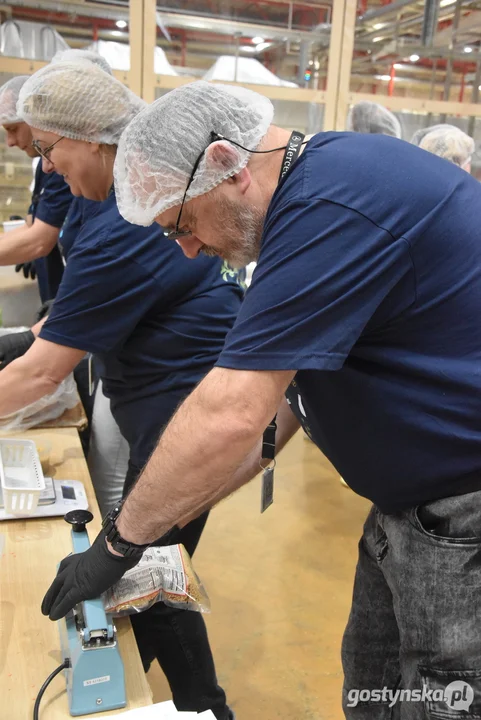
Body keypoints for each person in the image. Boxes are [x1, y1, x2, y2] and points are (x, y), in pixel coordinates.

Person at [41, 80, 481, 718]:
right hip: (407, 514)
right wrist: (161, 527)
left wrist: (118, 545)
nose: (187, 247)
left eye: (184, 223)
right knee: (375, 686)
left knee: (446, 701)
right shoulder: (309, 193)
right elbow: (273, 414)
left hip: (461, 515)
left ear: (226, 165)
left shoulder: (333, 207)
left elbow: (231, 412)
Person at [2, 66, 242, 719]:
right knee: (147, 560)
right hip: (152, 389)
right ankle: (187, 699)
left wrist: (29, 356)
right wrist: (29, 336)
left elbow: (41, 375)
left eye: (51, 148)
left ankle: (200, 706)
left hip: (187, 408)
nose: (45, 167)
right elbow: (83, 306)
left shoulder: (126, 220)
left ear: (97, 139)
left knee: (146, 562)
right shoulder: (104, 189)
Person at [0, 75, 71, 302]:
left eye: (13, 129)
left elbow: (40, 240)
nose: (9, 142)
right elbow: (33, 225)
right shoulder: (44, 164)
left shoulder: (64, 166)